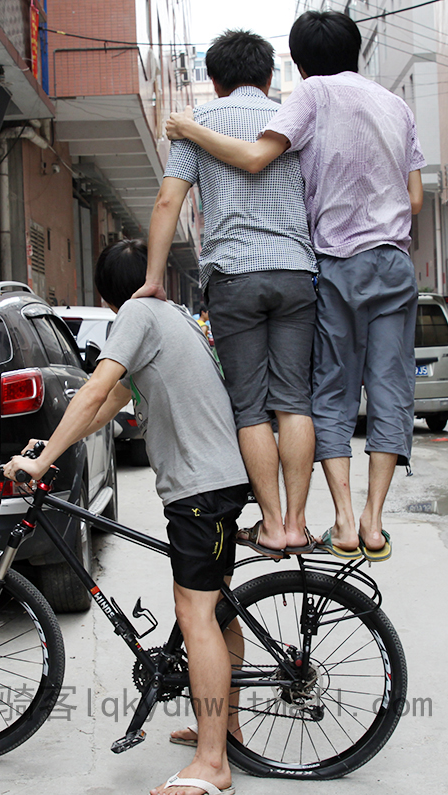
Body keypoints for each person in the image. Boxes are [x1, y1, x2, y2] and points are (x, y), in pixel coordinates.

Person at [164, 10, 426, 562]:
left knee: (322, 392)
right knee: (386, 389)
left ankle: (329, 521)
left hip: (328, 264)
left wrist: (189, 127)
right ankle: (373, 522)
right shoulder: (397, 105)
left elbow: (258, 158)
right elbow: (416, 198)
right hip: (387, 265)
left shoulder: (309, 98)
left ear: (301, 65)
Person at [4, 239, 249, 795]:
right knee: (219, 610)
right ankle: (225, 730)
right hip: (213, 482)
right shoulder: (172, 317)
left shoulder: (138, 313)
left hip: (199, 490)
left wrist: (39, 465)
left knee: (198, 617)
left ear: (103, 294)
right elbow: (108, 403)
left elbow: (92, 388)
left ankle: (213, 764)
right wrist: (51, 445)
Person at [135, 30, 318, 558]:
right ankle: (299, 524)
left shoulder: (197, 124)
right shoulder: (290, 118)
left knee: (250, 409)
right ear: (267, 77)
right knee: (294, 401)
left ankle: (273, 524)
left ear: (214, 81)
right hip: (293, 272)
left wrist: (153, 279)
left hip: (233, 279)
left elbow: (168, 203)